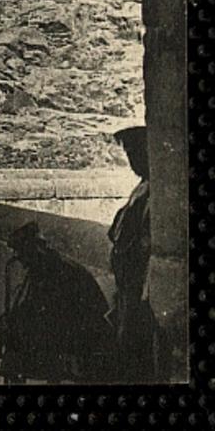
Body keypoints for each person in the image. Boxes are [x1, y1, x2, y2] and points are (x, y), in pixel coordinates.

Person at [0, 221, 115, 384]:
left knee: (23, 340)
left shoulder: (56, 270)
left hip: (84, 331)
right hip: (71, 326)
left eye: (21, 253)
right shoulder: (45, 265)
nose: (21, 261)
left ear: (34, 250)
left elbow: (54, 312)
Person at [108, 122, 154, 381]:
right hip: (127, 286)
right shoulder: (141, 189)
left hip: (140, 288)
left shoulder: (152, 192)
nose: (132, 161)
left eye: (136, 154)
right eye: (129, 155)